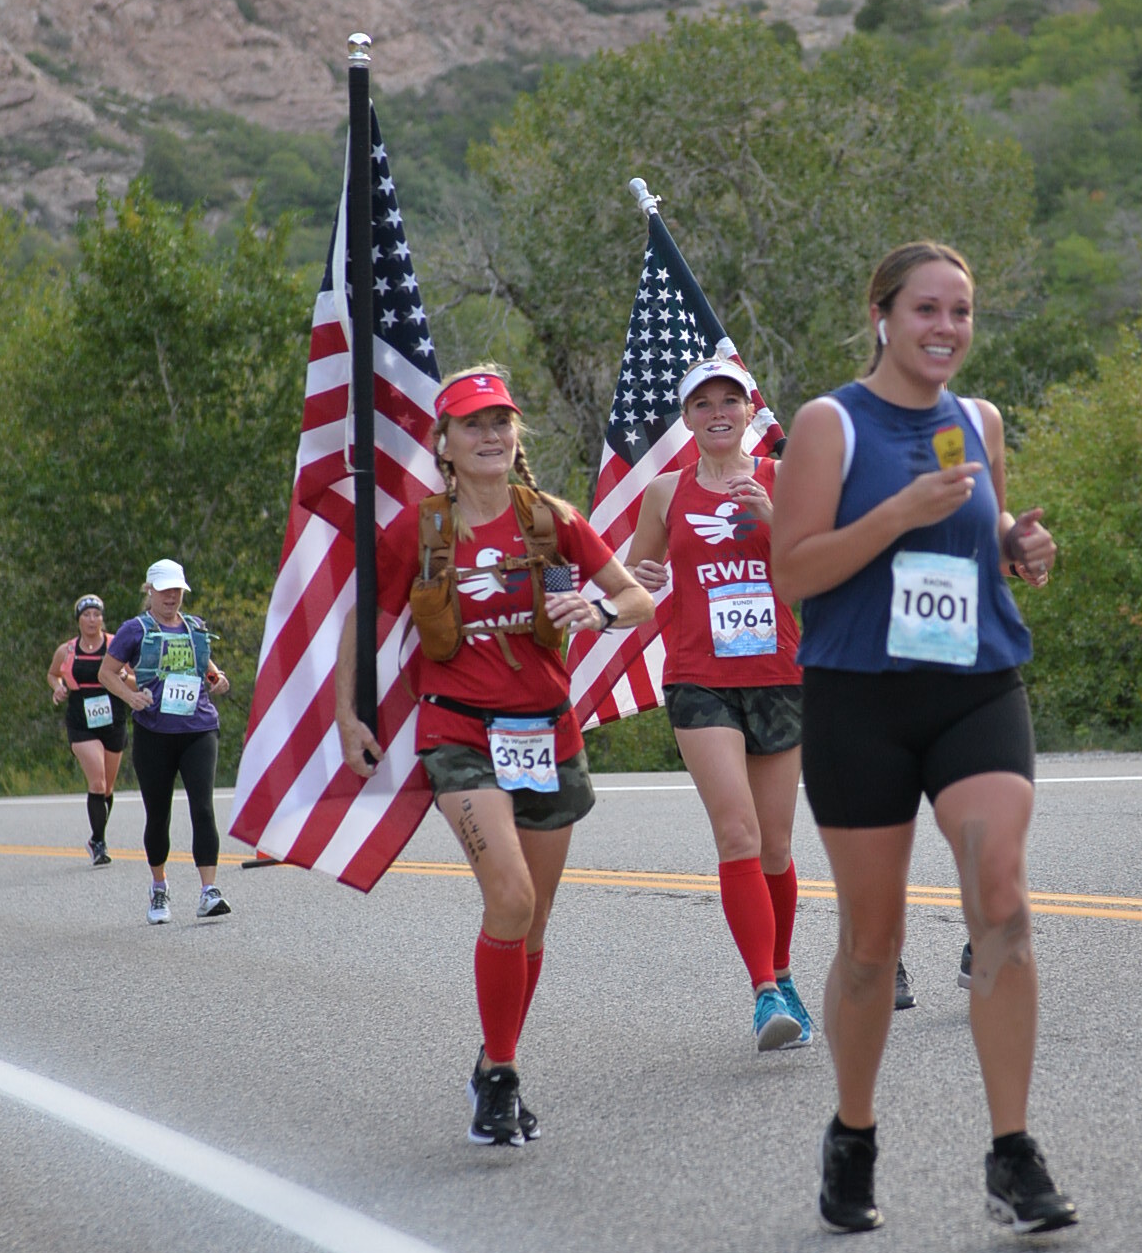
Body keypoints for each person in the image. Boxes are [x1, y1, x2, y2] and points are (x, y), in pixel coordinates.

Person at [770, 242, 1075, 1236]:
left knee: (1002, 899)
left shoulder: (978, 420)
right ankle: (853, 1130)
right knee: (873, 944)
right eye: (926, 310)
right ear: (882, 316)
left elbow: (981, 533)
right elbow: (792, 573)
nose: (946, 328)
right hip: (859, 699)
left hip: (973, 686)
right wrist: (897, 513)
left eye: (961, 312)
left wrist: (1016, 546)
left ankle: (1013, 1152)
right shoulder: (830, 424)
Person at [337, 365, 654, 1148]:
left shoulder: (551, 522)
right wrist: (348, 714)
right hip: (459, 732)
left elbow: (638, 597)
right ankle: (505, 1080)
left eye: (500, 421)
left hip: (547, 734)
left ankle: (491, 1060)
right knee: (509, 899)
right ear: (444, 444)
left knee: (532, 920)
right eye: (472, 424)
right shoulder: (421, 531)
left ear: (517, 435)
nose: (490, 435)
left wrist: (598, 609)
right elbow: (363, 621)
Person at [628, 345, 811, 1054]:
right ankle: (764, 993)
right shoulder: (664, 494)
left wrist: (774, 516)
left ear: (748, 409)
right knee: (737, 834)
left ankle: (784, 972)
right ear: (686, 418)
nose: (717, 413)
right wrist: (638, 581)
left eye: (729, 400)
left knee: (775, 846)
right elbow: (635, 584)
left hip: (778, 673)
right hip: (699, 677)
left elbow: (816, 570)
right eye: (702, 404)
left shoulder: (782, 477)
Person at [105, 560, 234, 925]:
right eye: (164, 591)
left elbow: (204, 663)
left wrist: (217, 678)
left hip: (198, 728)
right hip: (155, 733)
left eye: (177, 590)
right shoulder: (135, 630)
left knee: (203, 808)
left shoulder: (195, 627)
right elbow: (106, 672)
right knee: (159, 814)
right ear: (150, 591)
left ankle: (209, 891)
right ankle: (159, 886)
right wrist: (131, 698)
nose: (171, 597)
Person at [47, 593, 128, 866]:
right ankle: (100, 844)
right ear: (78, 620)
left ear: (102, 618)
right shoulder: (67, 650)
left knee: (108, 788)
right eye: (86, 615)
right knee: (98, 782)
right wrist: (58, 687)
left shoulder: (117, 645)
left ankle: (95, 838)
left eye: (97, 614)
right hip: (81, 720)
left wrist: (125, 676)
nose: (92, 620)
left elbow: (136, 678)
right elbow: (53, 674)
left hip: (113, 717)